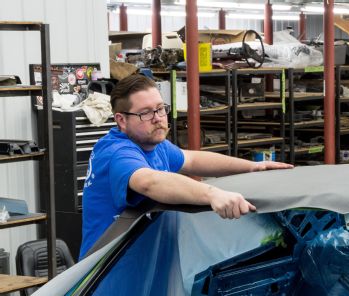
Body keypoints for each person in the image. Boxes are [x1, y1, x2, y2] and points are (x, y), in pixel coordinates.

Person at [80, 74, 292, 258]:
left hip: (143, 262)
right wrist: (212, 194)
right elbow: (148, 182)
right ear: (122, 120)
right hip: (108, 275)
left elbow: (192, 160)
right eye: (145, 113)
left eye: (160, 109)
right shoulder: (117, 151)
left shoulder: (155, 145)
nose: (158, 119)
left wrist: (252, 167)